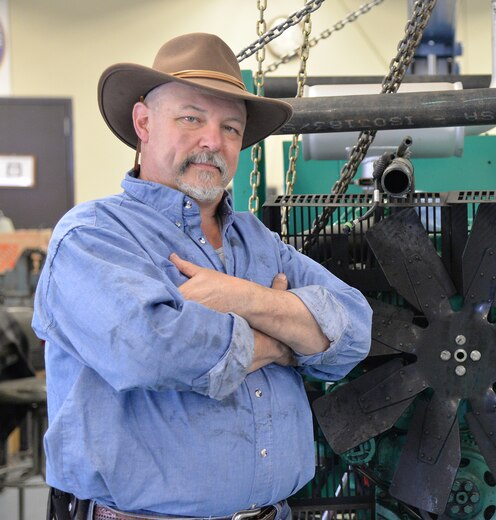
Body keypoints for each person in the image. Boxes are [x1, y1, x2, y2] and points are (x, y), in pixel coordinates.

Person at [33, 32, 372, 520]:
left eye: (230, 128)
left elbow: (355, 329)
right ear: (143, 123)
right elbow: (153, 350)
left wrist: (243, 298)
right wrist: (285, 342)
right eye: (191, 118)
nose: (213, 141)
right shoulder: (92, 236)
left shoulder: (258, 240)